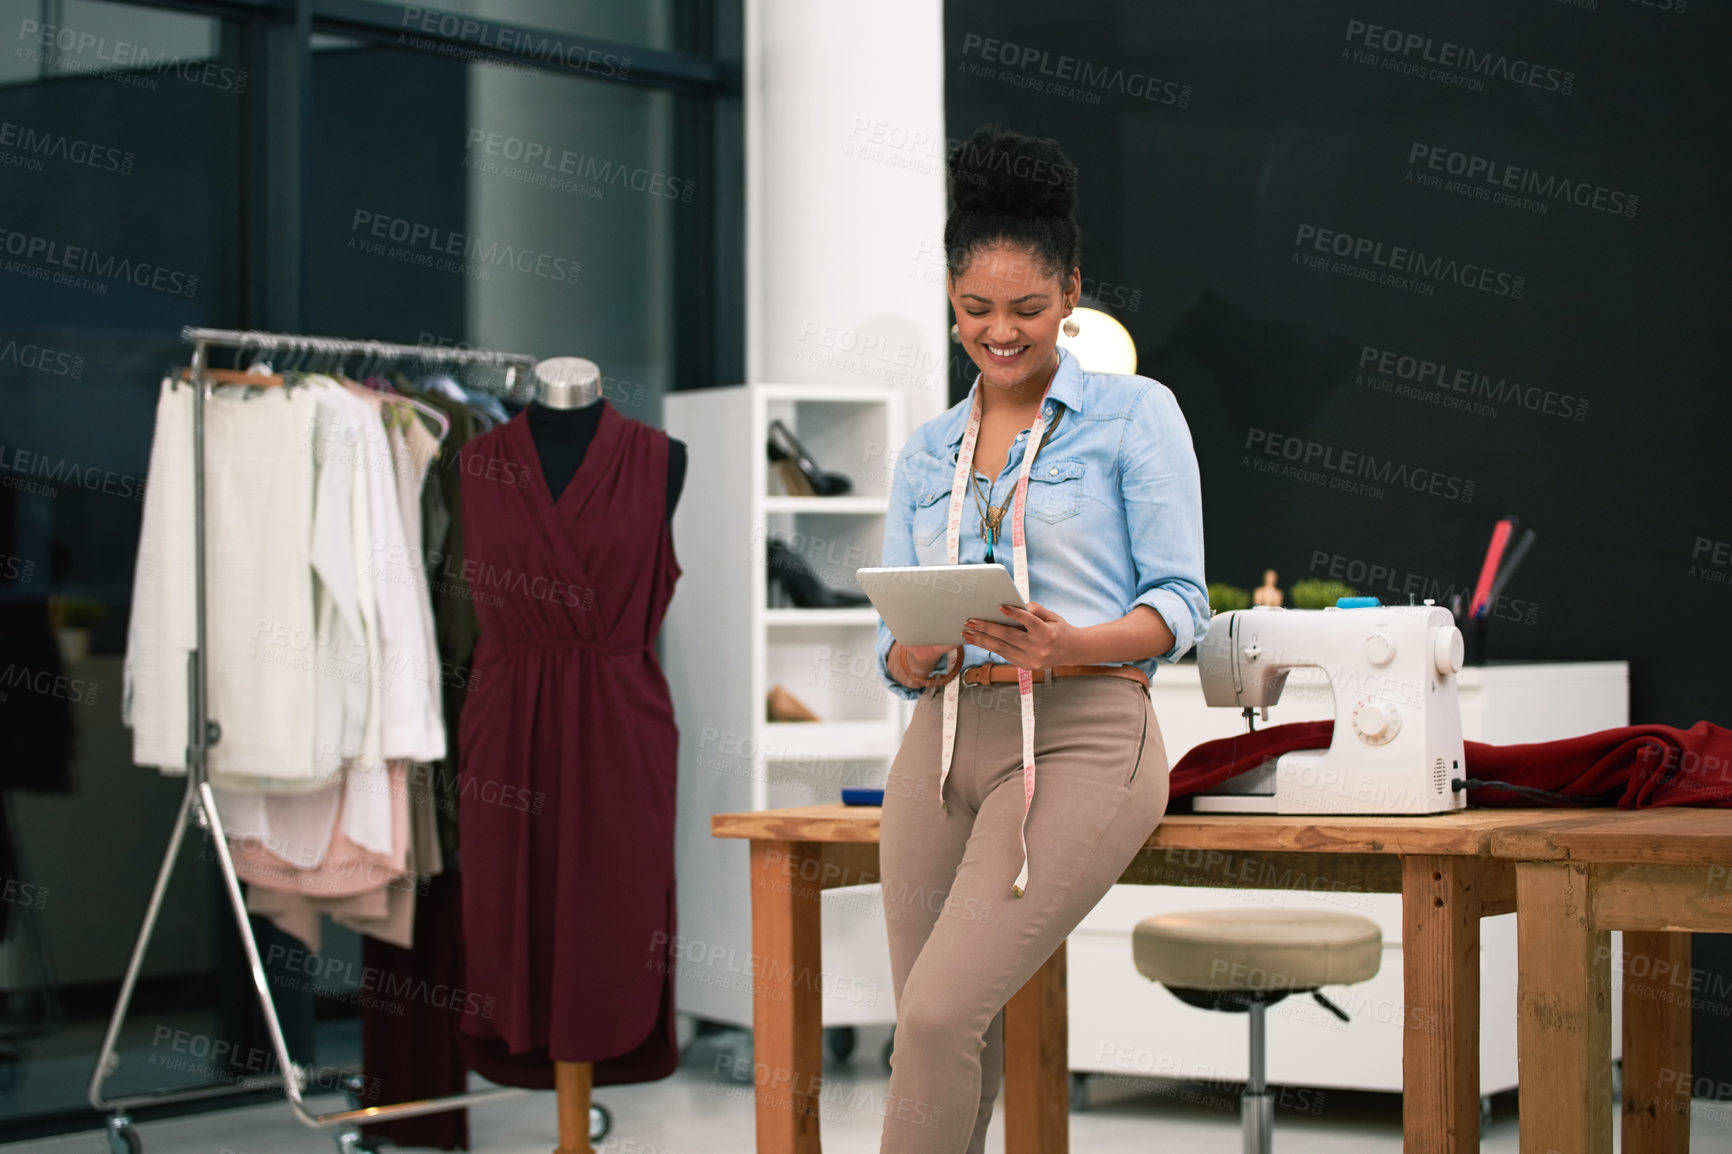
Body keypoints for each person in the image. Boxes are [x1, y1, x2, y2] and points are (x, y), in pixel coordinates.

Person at [872, 126, 1209, 1153]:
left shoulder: (1133, 414)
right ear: (949, 298)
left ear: (1070, 290)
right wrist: (911, 653)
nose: (1000, 333)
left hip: (1083, 730)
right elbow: (892, 640)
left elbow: (1181, 603)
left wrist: (1069, 647)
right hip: (937, 744)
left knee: (939, 1013)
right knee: (929, 1033)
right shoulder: (928, 447)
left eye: (1025, 309)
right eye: (976, 310)